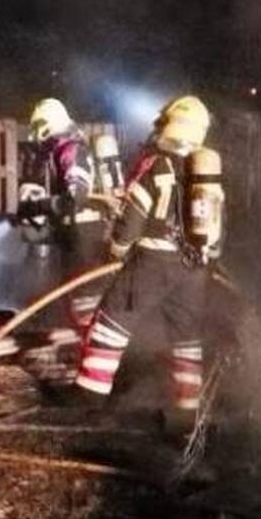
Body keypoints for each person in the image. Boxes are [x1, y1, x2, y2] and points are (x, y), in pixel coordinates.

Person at [69, 95, 222, 438]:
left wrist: (117, 250)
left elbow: (133, 217)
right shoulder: (206, 172)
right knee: (186, 338)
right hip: (194, 269)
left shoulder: (157, 166)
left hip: (153, 261)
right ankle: (187, 410)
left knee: (109, 322)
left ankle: (88, 398)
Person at [14, 98, 110, 329]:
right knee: (73, 293)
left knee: (83, 296)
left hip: (85, 236)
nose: (37, 134)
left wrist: (42, 206)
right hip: (74, 233)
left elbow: (75, 197)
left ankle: (90, 343)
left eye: (39, 126)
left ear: (49, 124)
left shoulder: (71, 150)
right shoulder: (60, 149)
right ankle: (79, 340)